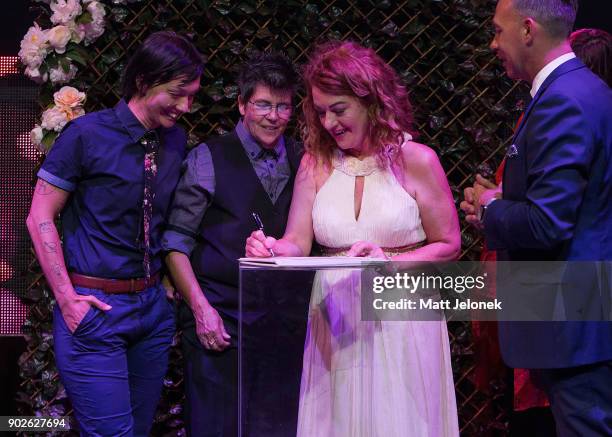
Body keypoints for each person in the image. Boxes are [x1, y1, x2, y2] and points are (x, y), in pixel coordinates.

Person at [246, 41, 461, 437]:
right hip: (336, 317)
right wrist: (272, 248)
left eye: (339, 109)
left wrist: (389, 263)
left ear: (371, 100)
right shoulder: (316, 163)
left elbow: (448, 244)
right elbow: (297, 240)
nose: (328, 123)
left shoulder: (417, 160)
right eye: (321, 111)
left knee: (399, 422)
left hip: (402, 317)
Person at [26, 31, 203, 436]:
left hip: (152, 312)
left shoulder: (174, 140)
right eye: (178, 93)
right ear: (144, 80)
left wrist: (163, 289)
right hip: (96, 311)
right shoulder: (87, 135)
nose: (186, 106)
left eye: (192, 95)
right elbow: (39, 216)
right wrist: (67, 299)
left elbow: (163, 219)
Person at [466, 0, 612, 435]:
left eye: (497, 30)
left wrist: (489, 209)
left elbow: (548, 222)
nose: (494, 43)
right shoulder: (583, 90)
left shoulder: (563, 99)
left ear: (527, 30)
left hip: (574, 323)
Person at [162, 51, 303, 436]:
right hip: (219, 321)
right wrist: (201, 309)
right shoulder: (208, 157)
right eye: (262, 104)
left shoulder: (302, 159)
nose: (273, 116)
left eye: (283, 106)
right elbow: (175, 242)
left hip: (280, 328)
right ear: (241, 104)